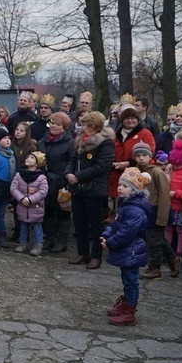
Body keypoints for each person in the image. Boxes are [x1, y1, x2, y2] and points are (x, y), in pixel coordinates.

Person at [65, 111, 115, 269]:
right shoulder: (80, 140)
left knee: (95, 225)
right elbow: (72, 159)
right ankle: (83, 252)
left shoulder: (106, 143)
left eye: (85, 124)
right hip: (77, 188)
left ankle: (96, 256)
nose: (81, 127)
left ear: (93, 126)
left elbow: (102, 166)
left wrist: (78, 176)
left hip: (94, 189)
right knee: (79, 222)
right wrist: (68, 173)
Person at [100, 167, 150, 326]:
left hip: (132, 251)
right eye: (120, 184)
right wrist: (106, 235)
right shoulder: (125, 205)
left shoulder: (135, 210)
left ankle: (129, 312)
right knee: (127, 278)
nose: (120, 188)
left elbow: (126, 232)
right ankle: (126, 304)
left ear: (134, 190)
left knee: (131, 280)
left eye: (125, 186)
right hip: (128, 250)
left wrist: (110, 242)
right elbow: (116, 224)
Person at [132, 141, 180, 279]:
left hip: (157, 210)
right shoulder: (137, 171)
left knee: (154, 241)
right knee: (157, 238)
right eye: (138, 155)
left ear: (150, 156)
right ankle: (174, 260)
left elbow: (164, 196)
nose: (141, 158)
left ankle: (154, 268)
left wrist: (162, 217)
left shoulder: (157, 172)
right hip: (145, 210)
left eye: (144, 155)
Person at [37, 112, 75, 253]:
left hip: (61, 180)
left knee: (62, 212)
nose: (53, 125)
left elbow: (72, 161)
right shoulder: (44, 139)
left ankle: (62, 241)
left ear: (64, 128)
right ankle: (49, 238)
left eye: (57, 124)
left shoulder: (70, 142)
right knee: (47, 210)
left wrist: (66, 177)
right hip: (45, 179)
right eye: (52, 122)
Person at [108, 107, 155, 210]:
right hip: (117, 174)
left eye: (133, 118)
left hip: (137, 173)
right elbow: (110, 151)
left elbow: (150, 152)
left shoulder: (145, 133)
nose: (130, 120)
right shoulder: (116, 134)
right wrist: (115, 163)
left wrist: (129, 163)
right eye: (127, 118)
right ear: (122, 120)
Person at [10, 151, 49, 256]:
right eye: (28, 157)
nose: (28, 159)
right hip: (22, 205)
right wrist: (22, 198)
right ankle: (23, 243)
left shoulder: (41, 177)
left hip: (36, 206)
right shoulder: (19, 175)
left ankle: (38, 244)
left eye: (32, 158)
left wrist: (31, 200)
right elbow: (13, 188)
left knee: (37, 226)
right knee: (23, 225)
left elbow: (43, 191)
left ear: (37, 163)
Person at [10, 121, 38, 241]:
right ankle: (17, 231)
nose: (18, 132)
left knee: (25, 206)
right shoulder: (11, 145)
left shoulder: (30, 146)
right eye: (17, 130)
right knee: (16, 206)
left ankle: (25, 233)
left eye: (21, 131)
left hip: (25, 178)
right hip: (13, 177)